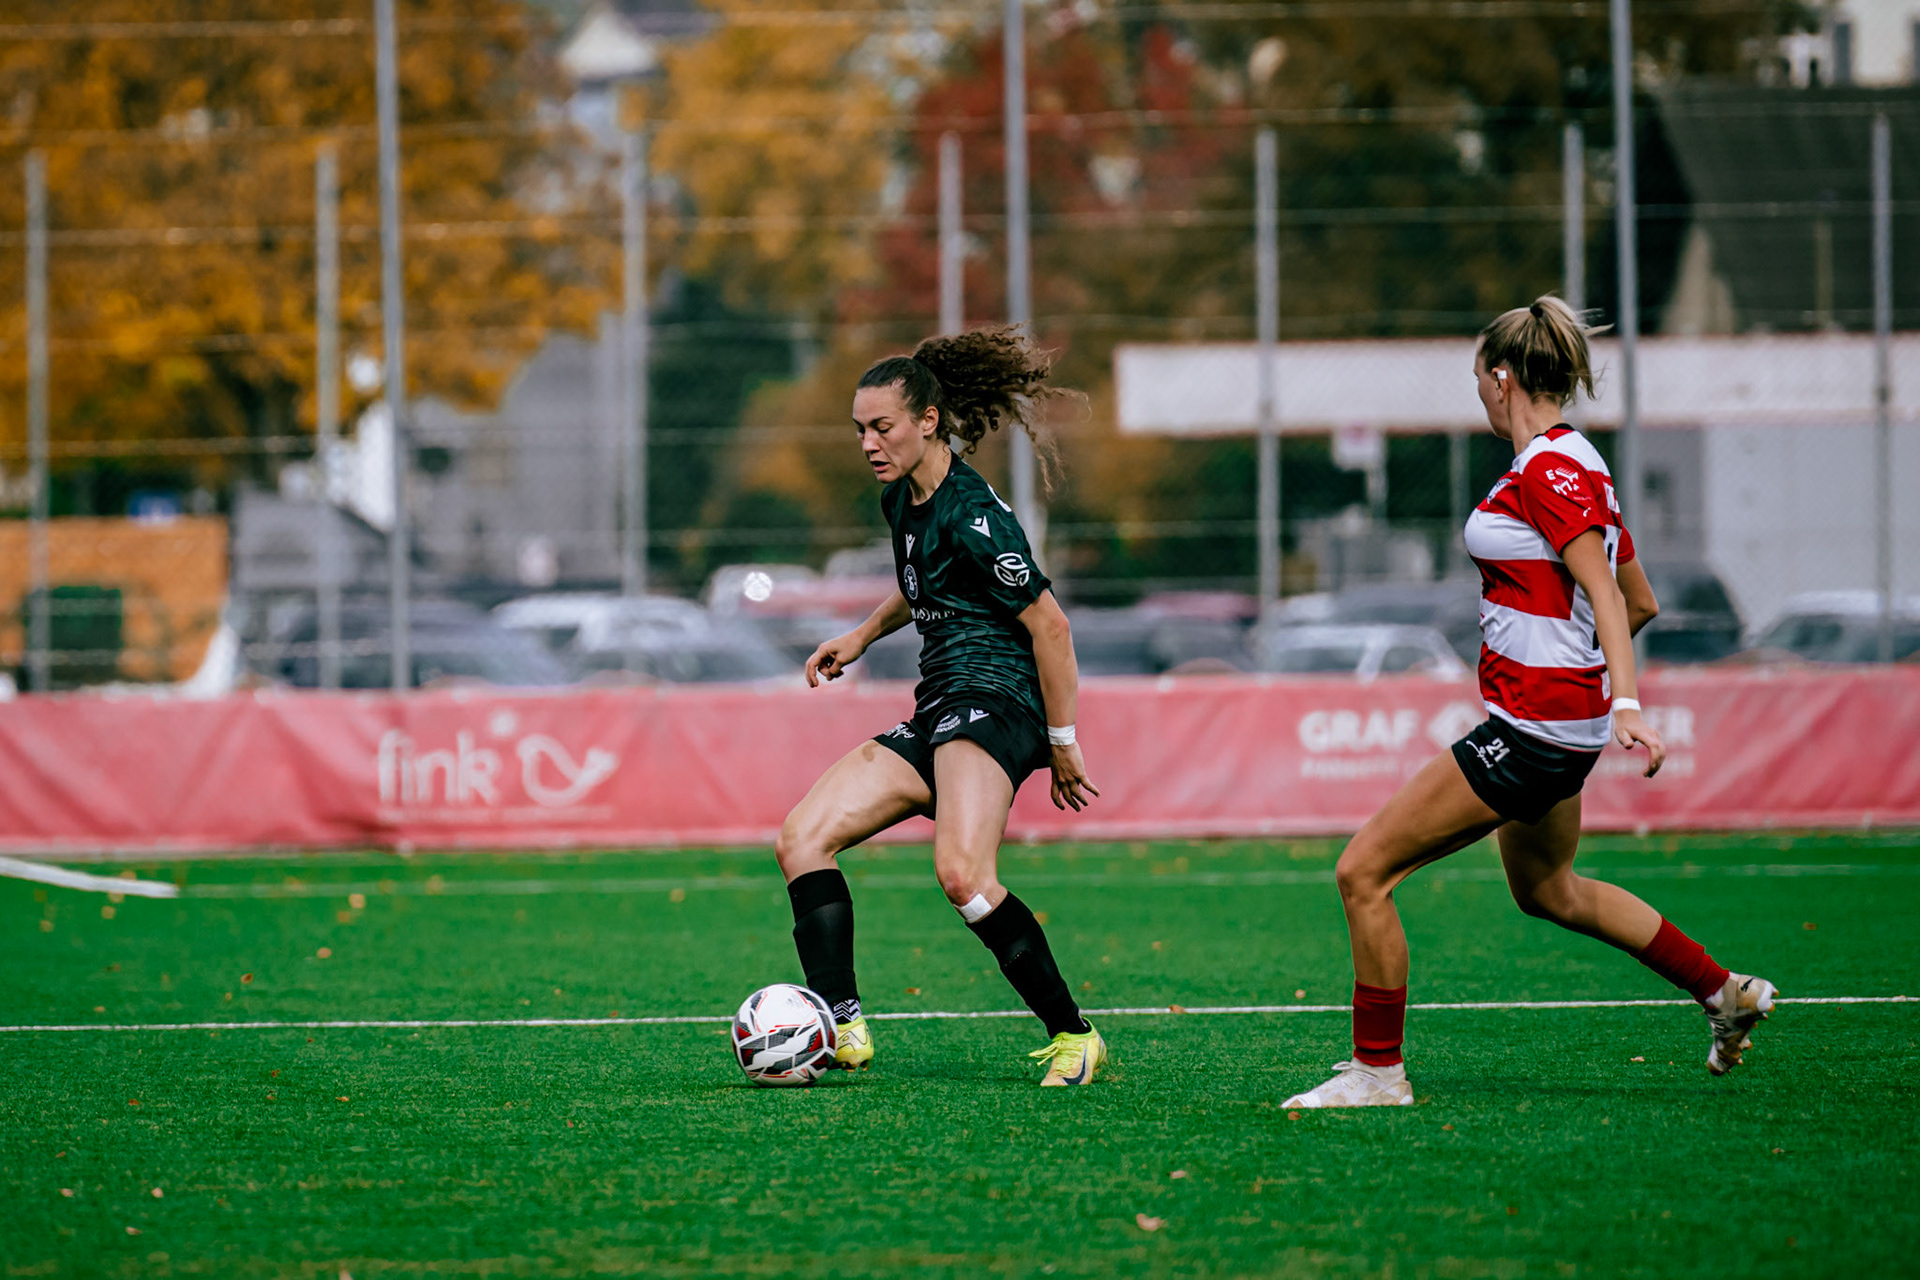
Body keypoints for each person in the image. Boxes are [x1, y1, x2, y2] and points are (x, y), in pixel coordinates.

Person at [1282, 296, 1775, 1109]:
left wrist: (1623, 700)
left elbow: (1611, 600)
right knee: (1551, 890)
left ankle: (1378, 1074)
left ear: (1501, 378)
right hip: (1559, 723)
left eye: (1479, 377)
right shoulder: (1580, 460)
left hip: (1537, 727)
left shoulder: (1547, 469)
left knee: (1362, 871)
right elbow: (1638, 595)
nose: (1478, 391)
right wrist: (1583, 676)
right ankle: (1723, 993)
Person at [775, 325, 1108, 1087]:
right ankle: (841, 1022)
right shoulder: (904, 501)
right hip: (940, 706)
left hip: (996, 702)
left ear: (928, 421)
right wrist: (863, 633)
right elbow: (926, 581)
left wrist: (1061, 739)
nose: (868, 442)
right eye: (859, 429)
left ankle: (1074, 1035)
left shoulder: (973, 514)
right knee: (802, 839)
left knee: (962, 873)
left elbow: (1049, 625)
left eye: (881, 426)